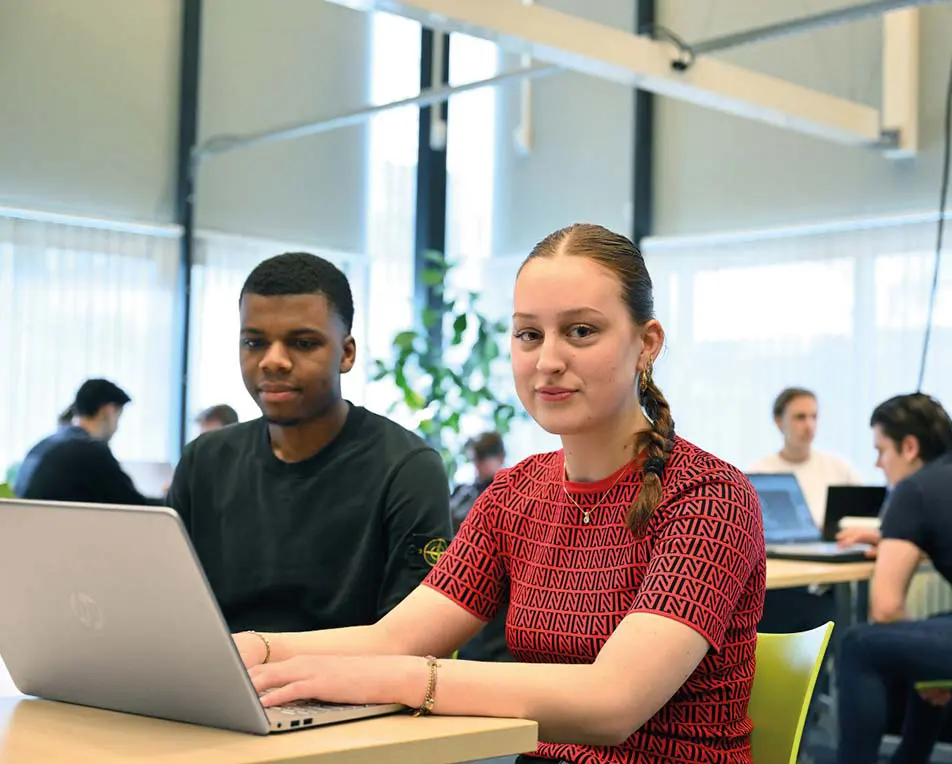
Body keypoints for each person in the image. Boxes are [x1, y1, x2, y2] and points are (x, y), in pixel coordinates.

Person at [236, 225, 766, 764]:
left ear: (645, 344)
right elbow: (394, 638)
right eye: (529, 335)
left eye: (581, 331)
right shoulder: (515, 492)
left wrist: (396, 680)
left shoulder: (710, 497)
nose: (547, 360)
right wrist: (251, 649)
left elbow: (612, 702)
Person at [166, 252, 452, 635]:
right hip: (217, 684)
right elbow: (168, 608)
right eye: (254, 342)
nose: (273, 361)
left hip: (352, 689)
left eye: (302, 343)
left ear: (346, 353)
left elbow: (413, 641)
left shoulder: (407, 468)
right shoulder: (206, 460)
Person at [836, 393, 952, 764]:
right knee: (927, 628)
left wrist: (925, 669)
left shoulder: (913, 490)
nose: (878, 463)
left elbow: (886, 608)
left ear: (910, 446)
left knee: (859, 645)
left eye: (882, 450)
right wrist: (890, 538)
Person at [13, 379, 156, 505]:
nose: (117, 427)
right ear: (108, 411)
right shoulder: (91, 452)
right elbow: (135, 507)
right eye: (118, 416)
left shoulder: (44, 445)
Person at [750, 387, 863, 526]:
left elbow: (864, 518)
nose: (809, 425)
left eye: (814, 417)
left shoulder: (840, 468)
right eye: (800, 417)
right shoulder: (760, 472)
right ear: (779, 421)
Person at [450, 431, 506, 533]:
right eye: (475, 459)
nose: (478, 464)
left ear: (500, 457)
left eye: (483, 457)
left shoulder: (507, 496)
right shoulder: (463, 490)